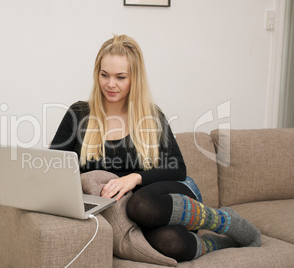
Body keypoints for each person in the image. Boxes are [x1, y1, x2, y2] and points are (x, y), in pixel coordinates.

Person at [50, 34, 261, 262]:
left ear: (135, 79)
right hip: (132, 214)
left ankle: (224, 221)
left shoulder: (151, 116)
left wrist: (133, 178)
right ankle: (218, 243)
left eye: (121, 77)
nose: (110, 84)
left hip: (165, 195)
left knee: (140, 204)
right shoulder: (79, 114)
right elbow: (54, 169)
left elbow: (178, 169)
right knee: (171, 243)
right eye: (104, 75)